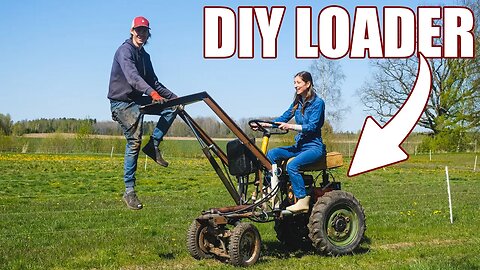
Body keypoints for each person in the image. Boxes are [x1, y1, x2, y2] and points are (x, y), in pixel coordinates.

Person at [108, 16, 178, 210]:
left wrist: (175, 98)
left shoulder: (145, 56)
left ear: (148, 34)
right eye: (138, 30)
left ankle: (153, 145)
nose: (141, 34)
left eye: (144, 31)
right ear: (132, 31)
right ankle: (129, 191)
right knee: (134, 141)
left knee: (171, 108)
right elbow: (133, 77)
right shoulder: (125, 51)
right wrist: (152, 94)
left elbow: (154, 82)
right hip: (121, 102)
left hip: (138, 100)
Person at [266, 71, 326, 213]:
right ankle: (272, 191)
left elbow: (312, 127)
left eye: (298, 83)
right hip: (300, 146)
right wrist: (266, 125)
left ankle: (302, 200)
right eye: (294, 83)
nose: (295, 86)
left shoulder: (318, 103)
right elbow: (284, 117)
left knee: (292, 165)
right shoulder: (297, 103)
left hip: (313, 147)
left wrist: (291, 126)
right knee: (272, 154)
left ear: (308, 84)